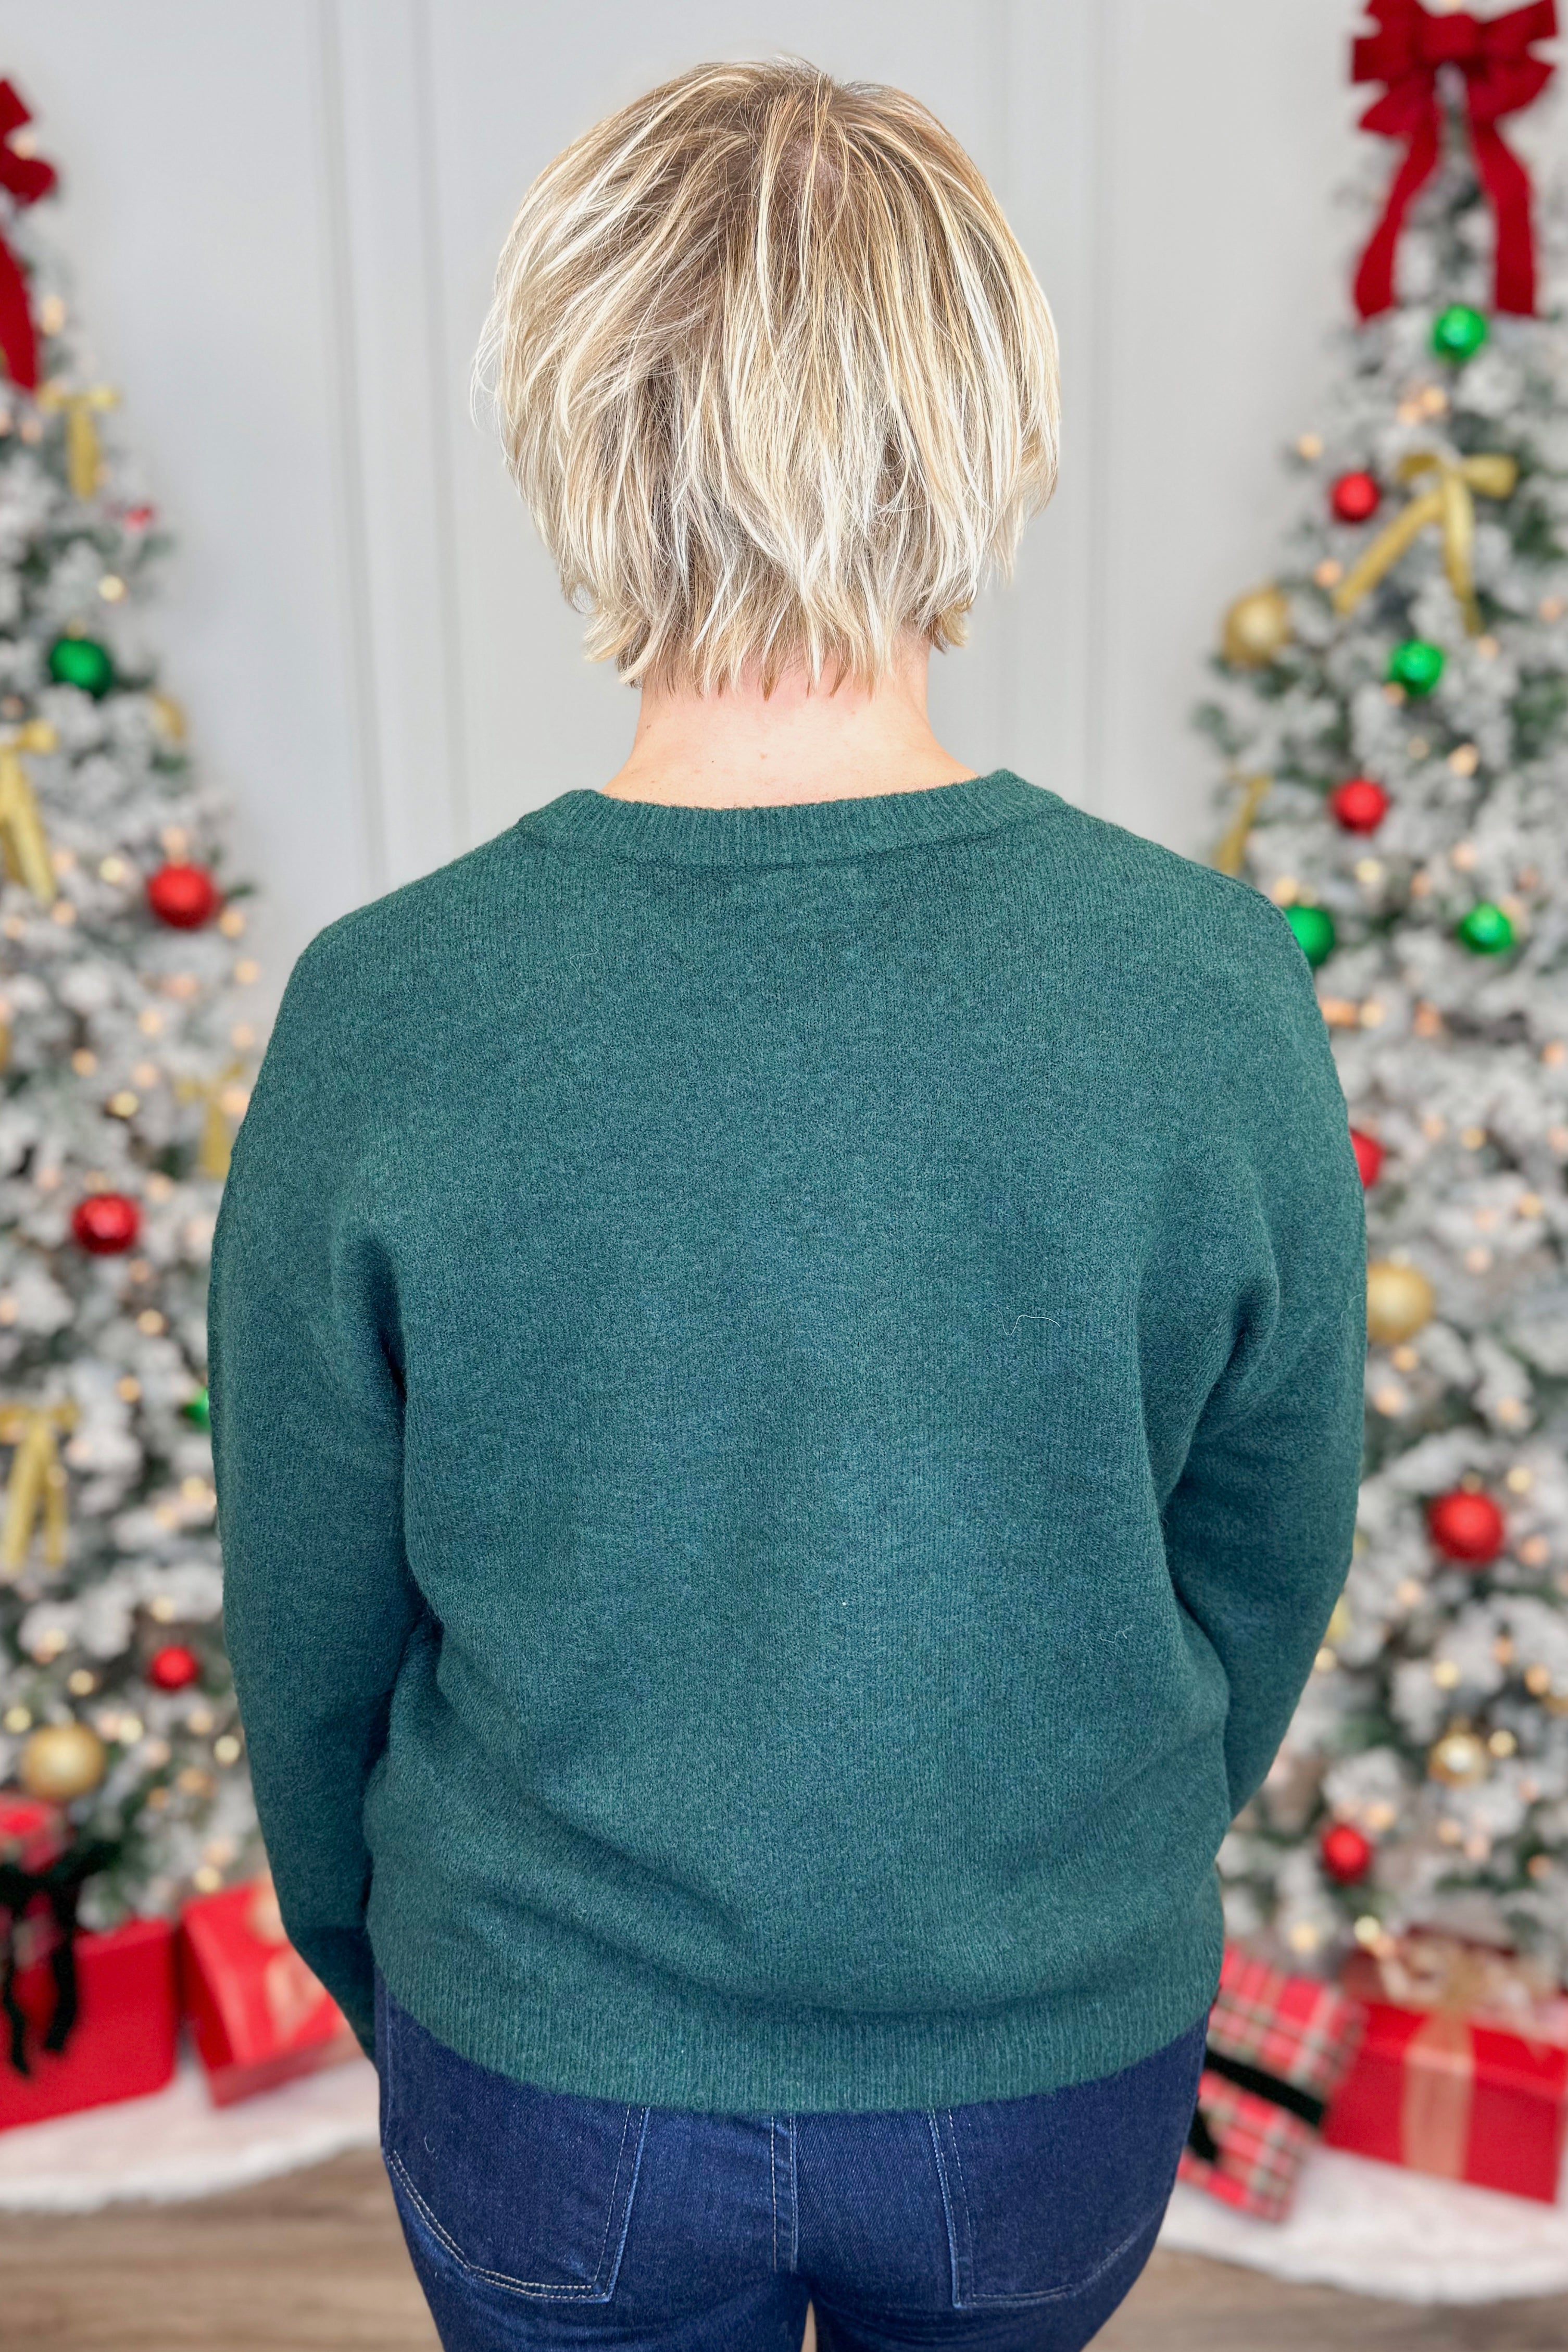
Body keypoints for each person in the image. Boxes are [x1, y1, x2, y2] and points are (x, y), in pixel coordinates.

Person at [208, 57, 1366, 2352]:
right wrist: (1081, 1860)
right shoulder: (1207, 979)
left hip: (551, 2065)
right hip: (1049, 2057)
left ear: (575, 419)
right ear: (980, 425)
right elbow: (1268, 1549)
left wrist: (406, 1963)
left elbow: (307, 1621)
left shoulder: (391, 1005)